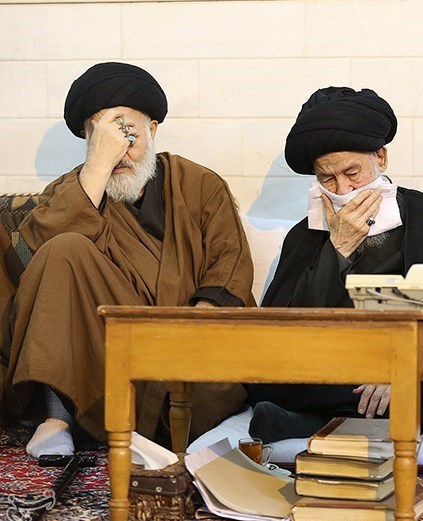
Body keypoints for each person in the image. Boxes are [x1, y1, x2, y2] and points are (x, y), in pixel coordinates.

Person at [246, 86, 423, 443]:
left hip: (422, 366)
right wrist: (337, 249)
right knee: (264, 376)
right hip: (340, 368)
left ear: (381, 158)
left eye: (353, 173)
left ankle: (315, 422)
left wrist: (406, 372)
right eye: (328, 179)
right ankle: (372, 416)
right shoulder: (305, 235)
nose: (343, 189)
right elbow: (287, 331)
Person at [0, 62, 256, 458]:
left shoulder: (200, 184)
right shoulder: (73, 190)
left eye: (126, 133)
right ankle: (58, 417)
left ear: (152, 129)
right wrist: (97, 167)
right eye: (101, 137)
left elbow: (231, 264)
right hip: (109, 355)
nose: (118, 149)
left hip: (191, 353)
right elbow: (38, 259)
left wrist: (191, 333)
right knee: (64, 248)